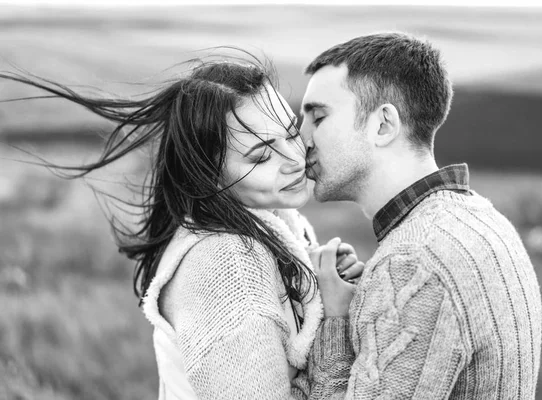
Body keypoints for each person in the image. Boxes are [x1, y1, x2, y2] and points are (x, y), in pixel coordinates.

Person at [0, 54, 365, 399]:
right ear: (209, 175)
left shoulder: (277, 227)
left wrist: (316, 274)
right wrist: (334, 319)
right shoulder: (227, 267)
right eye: (261, 156)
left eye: (289, 132)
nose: (293, 159)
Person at [301, 32, 542, 399]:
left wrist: (335, 322)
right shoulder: (480, 215)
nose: (301, 137)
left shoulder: (414, 261)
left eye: (317, 117)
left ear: (383, 125)